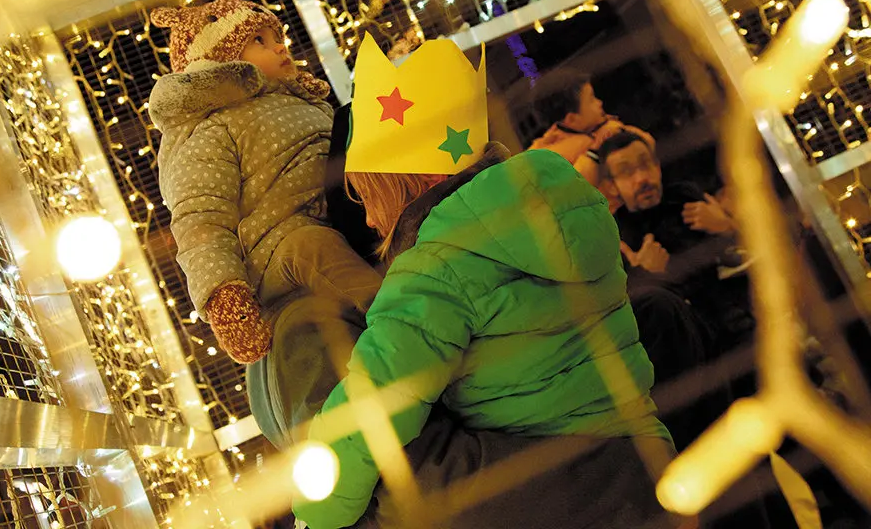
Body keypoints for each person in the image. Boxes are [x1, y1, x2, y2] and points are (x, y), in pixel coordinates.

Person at [294, 35, 681, 529]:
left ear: (405, 182)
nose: (370, 218)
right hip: (647, 459)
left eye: (369, 194)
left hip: (562, 497)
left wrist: (315, 512)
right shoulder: (565, 204)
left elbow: (374, 406)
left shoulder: (435, 268)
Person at [148, 0, 382, 448]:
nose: (279, 48)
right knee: (313, 247)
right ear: (219, 60)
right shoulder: (209, 129)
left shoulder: (303, 102)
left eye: (278, 37)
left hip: (340, 219)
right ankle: (401, 317)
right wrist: (224, 294)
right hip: (276, 256)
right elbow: (200, 219)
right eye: (259, 40)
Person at [597, 131, 751, 356]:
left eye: (646, 164)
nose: (642, 178)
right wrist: (645, 274)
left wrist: (726, 227)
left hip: (732, 322)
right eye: (626, 172)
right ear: (611, 186)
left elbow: (743, 255)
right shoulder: (614, 238)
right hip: (684, 345)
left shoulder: (684, 197)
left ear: (658, 166)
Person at [529, 70, 655, 212]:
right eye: (591, 99)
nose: (599, 103)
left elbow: (648, 144)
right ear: (572, 119)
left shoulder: (604, 127)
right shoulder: (547, 157)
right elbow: (570, 193)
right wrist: (593, 153)